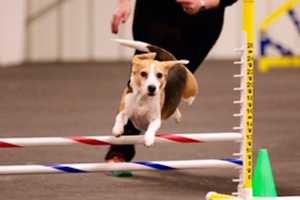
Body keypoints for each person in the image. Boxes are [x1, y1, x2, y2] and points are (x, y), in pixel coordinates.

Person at [105, 0, 238, 166]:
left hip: (203, 20)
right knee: (145, 77)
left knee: (173, 80)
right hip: (156, 10)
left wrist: (203, 3)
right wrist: (124, 4)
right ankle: (120, 151)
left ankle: (149, 121)